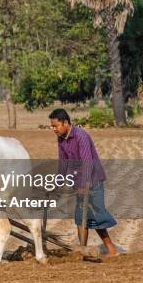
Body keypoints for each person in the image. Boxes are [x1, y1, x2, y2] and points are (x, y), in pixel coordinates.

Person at [49, 108, 118, 256]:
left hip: (93, 180)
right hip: (79, 182)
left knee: (97, 217)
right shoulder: (61, 138)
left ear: (66, 123)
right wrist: (57, 184)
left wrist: (84, 186)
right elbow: (63, 163)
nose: (54, 129)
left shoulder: (81, 136)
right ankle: (82, 250)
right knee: (81, 217)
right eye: (52, 126)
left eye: (56, 126)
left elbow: (87, 162)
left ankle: (111, 249)